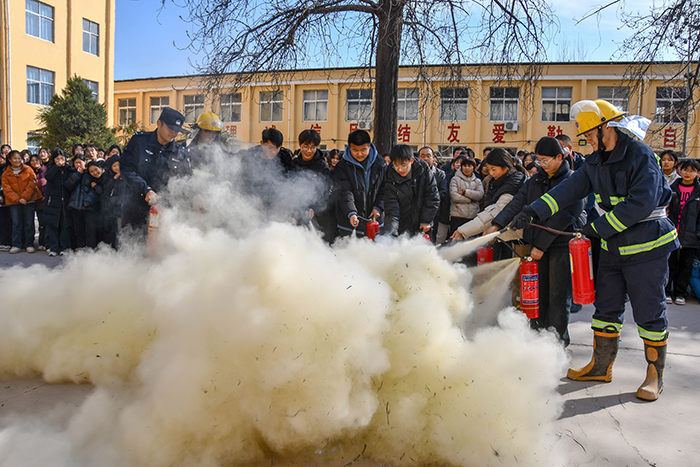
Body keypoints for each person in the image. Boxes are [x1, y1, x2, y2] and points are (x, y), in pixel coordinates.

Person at [511, 99, 678, 401]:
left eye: (589, 134)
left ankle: (655, 374)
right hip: (613, 248)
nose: (587, 140)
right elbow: (569, 189)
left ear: (606, 128)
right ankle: (601, 366)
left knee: (649, 312)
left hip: (647, 246)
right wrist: (534, 210)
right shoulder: (596, 160)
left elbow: (640, 204)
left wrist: (596, 228)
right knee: (605, 310)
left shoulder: (641, 155)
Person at [486, 137, 584, 346]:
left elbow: (565, 215)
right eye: (539, 160)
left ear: (560, 157)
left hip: (558, 246)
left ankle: (557, 344)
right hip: (536, 246)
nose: (542, 164)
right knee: (537, 296)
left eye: (546, 160)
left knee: (557, 298)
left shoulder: (572, 181)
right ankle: (538, 341)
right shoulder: (536, 180)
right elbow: (518, 203)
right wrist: (497, 225)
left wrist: (541, 245)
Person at [121, 107, 190, 232]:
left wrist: (195, 195)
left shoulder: (180, 152)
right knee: (132, 247)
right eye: (170, 129)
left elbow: (186, 179)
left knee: (162, 249)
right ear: (159, 123)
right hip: (136, 210)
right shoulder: (139, 142)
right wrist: (146, 190)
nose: (173, 134)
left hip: (165, 212)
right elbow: (126, 169)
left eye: (176, 131)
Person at [450, 148, 527, 241]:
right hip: (503, 232)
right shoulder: (495, 181)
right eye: (489, 169)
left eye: (493, 169)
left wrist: (463, 231)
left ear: (505, 166)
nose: (491, 173)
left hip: (517, 235)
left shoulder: (515, 183)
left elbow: (496, 212)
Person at [333, 129, 386, 237]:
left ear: (369, 146)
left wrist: (379, 207)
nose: (359, 154)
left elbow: (385, 188)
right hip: (348, 223)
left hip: (374, 222)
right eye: (355, 150)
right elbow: (344, 192)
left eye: (363, 149)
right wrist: (351, 212)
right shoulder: (342, 166)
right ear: (349, 147)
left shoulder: (380, 164)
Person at [383, 144, 439, 237]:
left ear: (411, 160)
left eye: (404, 165)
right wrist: (390, 234)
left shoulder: (423, 170)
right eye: (396, 165)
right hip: (401, 224)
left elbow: (432, 196)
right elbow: (392, 209)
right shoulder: (389, 176)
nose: (400, 169)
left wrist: (426, 220)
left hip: (422, 225)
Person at [289, 129, 335, 242]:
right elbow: (288, 189)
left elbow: (328, 190)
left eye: (313, 147)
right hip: (298, 214)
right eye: (305, 146)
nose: (309, 151)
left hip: (318, 216)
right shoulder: (293, 165)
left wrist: (314, 207)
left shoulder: (322, 166)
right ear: (300, 145)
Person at [666, 159, 700, 305]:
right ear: (679, 170)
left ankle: (680, 293)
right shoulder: (671, 189)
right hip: (672, 233)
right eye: (685, 169)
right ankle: (667, 291)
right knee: (670, 263)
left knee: (686, 265)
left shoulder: (699, 193)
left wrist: (698, 234)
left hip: (691, 236)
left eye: (692, 170)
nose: (688, 173)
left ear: (698, 173)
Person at [1, 150, 43, 253]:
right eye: (14, 158)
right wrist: (18, 199)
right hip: (14, 202)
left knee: (29, 223)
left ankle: (29, 244)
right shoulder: (6, 173)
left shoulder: (28, 169)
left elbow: (32, 184)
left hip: (29, 201)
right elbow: (7, 189)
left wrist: (24, 197)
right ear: (10, 160)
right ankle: (16, 244)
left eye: (19, 158)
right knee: (16, 223)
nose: (17, 160)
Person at [44, 149, 75, 256]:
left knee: (65, 225)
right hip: (53, 202)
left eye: (62, 158)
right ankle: (53, 248)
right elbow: (48, 177)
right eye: (57, 159)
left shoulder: (69, 169)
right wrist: (56, 167)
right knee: (53, 226)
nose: (60, 160)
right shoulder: (51, 168)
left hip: (66, 202)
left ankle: (64, 247)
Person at [419, 146, 447, 242]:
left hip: (432, 212)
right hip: (415, 211)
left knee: (430, 239)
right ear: (418, 158)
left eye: (428, 156)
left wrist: (430, 200)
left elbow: (443, 192)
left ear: (433, 157)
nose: (425, 158)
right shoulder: (413, 173)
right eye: (422, 156)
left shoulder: (440, 174)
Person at [449, 156, 484, 236]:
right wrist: (471, 199)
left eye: (469, 166)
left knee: (471, 243)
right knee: (456, 242)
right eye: (465, 166)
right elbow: (454, 196)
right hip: (457, 216)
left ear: (474, 168)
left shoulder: (477, 181)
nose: (467, 168)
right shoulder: (455, 179)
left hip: (473, 216)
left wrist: (465, 192)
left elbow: (479, 195)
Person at [29, 154, 47, 250]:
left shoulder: (47, 170)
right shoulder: (30, 172)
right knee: (40, 223)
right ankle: (41, 242)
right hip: (36, 201)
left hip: (46, 200)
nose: (35, 162)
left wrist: (45, 195)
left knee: (46, 222)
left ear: (41, 161)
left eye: (37, 160)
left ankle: (47, 243)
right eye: (32, 161)